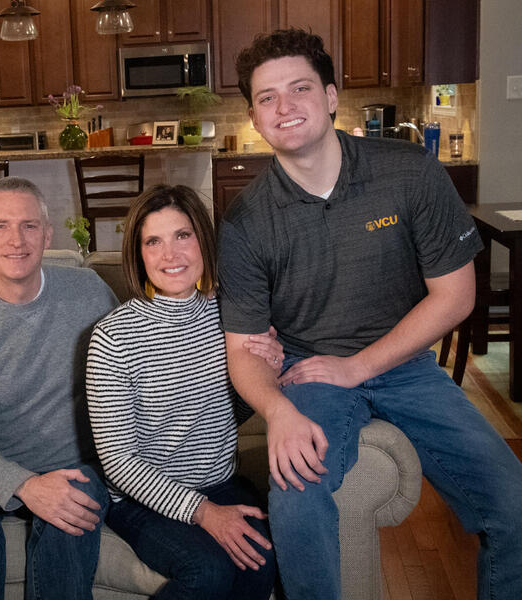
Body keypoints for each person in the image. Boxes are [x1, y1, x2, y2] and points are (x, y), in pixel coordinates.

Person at [217, 28, 522, 599]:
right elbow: (243, 348)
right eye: (266, 97)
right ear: (255, 118)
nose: (285, 107)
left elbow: (456, 295)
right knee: (298, 498)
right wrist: (278, 411)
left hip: (404, 363)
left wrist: (358, 366)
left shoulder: (408, 172)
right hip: (308, 371)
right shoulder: (246, 221)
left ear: (332, 97)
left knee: (514, 504)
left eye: (300, 88)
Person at [0, 177, 118, 599]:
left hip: (76, 465)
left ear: (48, 235)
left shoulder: (89, 294)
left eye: (30, 226)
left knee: (73, 499)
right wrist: (26, 486)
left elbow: (139, 360)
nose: (16, 239)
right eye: (0, 226)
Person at [86, 184, 277, 599]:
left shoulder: (231, 316)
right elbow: (118, 462)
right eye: (153, 241)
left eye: (182, 236)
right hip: (141, 500)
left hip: (221, 483)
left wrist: (267, 373)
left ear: (204, 242)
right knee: (207, 572)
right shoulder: (113, 337)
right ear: (139, 255)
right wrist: (204, 513)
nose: (169, 255)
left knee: (259, 563)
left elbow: (228, 414)